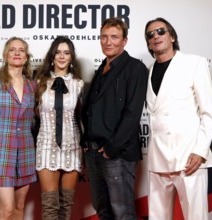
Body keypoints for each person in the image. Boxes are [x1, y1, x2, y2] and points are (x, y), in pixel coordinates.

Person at [144, 17, 212, 220]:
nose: (155, 36)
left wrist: (200, 152)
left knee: (195, 217)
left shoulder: (195, 63)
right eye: (150, 35)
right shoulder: (147, 72)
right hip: (158, 159)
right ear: (149, 43)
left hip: (189, 158)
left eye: (160, 31)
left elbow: (208, 114)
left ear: (172, 36)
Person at [81, 17, 148, 219]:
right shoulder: (101, 69)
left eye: (114, 37)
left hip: (116, 154)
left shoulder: (135, 68)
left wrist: (112, 148)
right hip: (93, 153)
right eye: (104, 37)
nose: (108, 42)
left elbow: (132, 112)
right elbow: (92, 109)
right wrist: (85, 141)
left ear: (124, 41)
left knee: (122, 212)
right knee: (103, 211)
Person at [0, 37, 37, 220]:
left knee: (20, 206)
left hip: (27, 151)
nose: (17, 53)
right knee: (6, 209)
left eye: (21, 50)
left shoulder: (33, 86)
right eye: (12, 50)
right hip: (2, 151)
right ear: (5, 55)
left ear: (26, 57)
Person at [35, 36, 84, 220]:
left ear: (71, 57)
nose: (62, 56)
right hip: (46, 146)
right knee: (50, 207)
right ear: (52, 56)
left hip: (72, 147)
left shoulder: (79, 85)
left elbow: (82, 118)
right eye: (58, 52)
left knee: (66, 207)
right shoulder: (40, 82)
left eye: (66, 53)